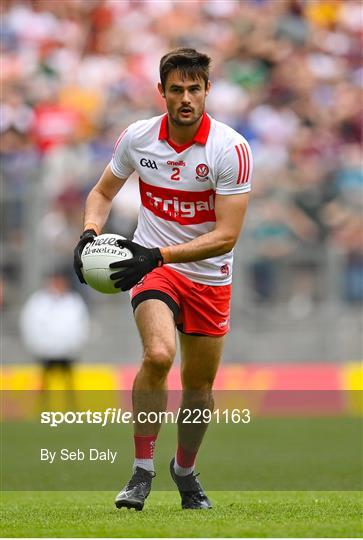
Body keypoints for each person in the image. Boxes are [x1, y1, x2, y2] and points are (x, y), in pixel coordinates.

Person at [73, 48, 252, 511]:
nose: (186, 98)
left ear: (208, 90)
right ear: (162, 92)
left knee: (199, 388)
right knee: (157, 355)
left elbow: (227, 236)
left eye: (195, 88)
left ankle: (185, 470)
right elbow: (101, 192)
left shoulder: (230, 149)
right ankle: (142, 470)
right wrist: (89, 235)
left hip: (209, 275)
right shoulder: (138, 138)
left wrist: (156, 252)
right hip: (155, 270)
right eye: (177, 89)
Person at [19, 271, 90, 393]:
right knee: (44, 383)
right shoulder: (38, 301)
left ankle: (70, 407)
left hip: (68, 351)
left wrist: (75, 345)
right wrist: (37, 345)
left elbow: (82, 324)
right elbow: (30, 322)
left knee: (69, 384)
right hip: (45, 351)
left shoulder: (73, 301)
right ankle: (42, 407)